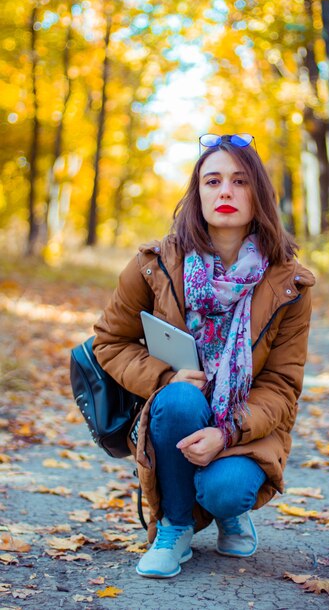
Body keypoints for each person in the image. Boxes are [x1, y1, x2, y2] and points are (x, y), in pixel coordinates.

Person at [93, 133, 315, 579]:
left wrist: (229, 431)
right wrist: (163, 378)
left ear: (260, 194)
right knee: (178, 399)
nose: (226, 192)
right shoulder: (154, 264)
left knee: (226, 491)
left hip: (245, 426)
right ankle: (173, 528)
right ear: (198, 194)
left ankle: (229, 511)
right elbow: (109, 342)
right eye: (212, 181)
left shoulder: (289, 284)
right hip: (176, 414)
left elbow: (282, 387)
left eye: (240, 181)